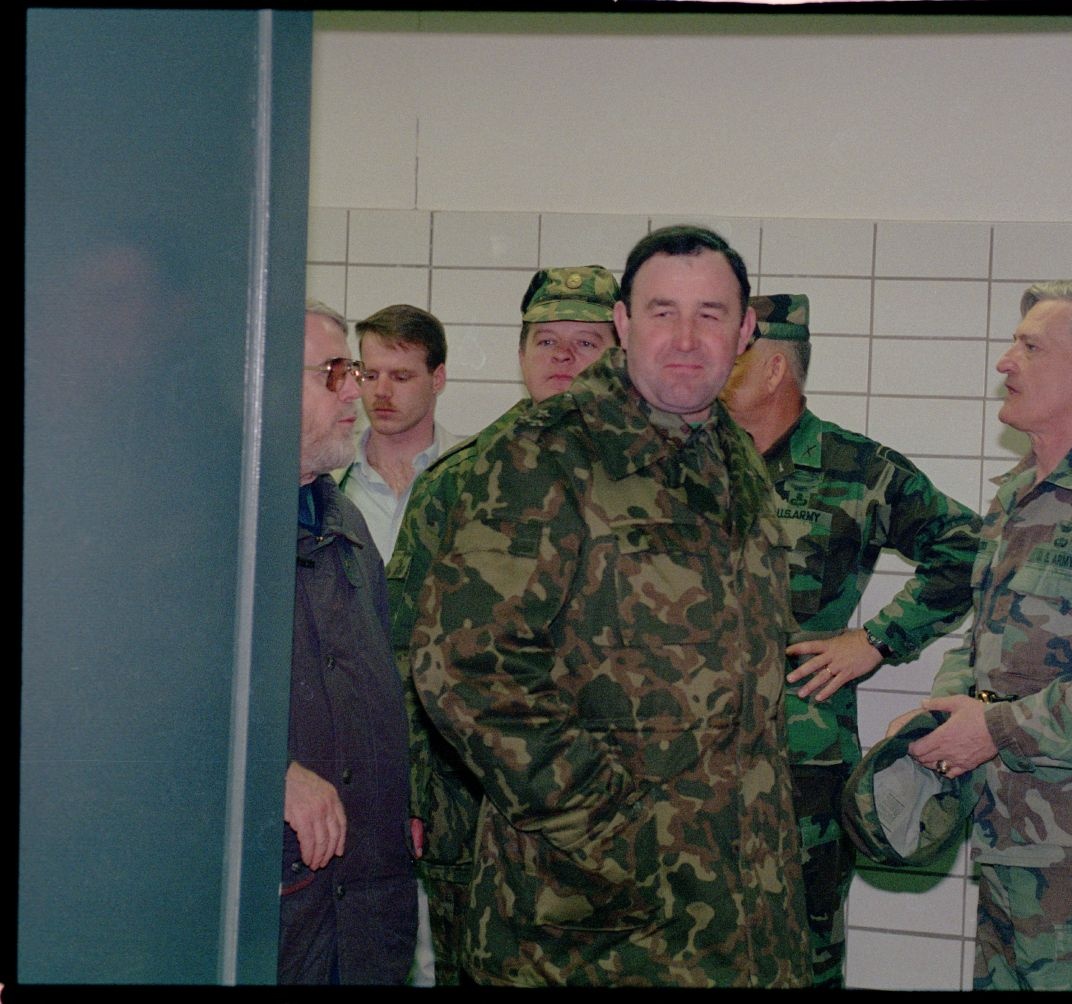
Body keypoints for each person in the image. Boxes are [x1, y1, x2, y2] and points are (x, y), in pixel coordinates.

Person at [410, 226, 810, 986]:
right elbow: (464, 668)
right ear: (624, 326)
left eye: (711, 314)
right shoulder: (545, 454)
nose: (686, 339)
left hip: (742, 918)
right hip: (589, 930)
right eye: (662, 313)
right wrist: (617, 830)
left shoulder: (733, 458)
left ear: (747, 331)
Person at [887, 281, 1072, 991]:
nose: (1006, 361)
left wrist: (995, 729)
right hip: (1006, 842)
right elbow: (989, 635)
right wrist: (946, 711)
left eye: (1031, 346)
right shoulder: (1017, 494)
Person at [719, 292, 981, 988]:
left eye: (729, 350)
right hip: (682, 767)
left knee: (804, 958)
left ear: (773, 368)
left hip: (799, 764)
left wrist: (878, 639)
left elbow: (969, 550)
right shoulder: (676, 465)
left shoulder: (857, 470)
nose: (706, 361)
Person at [385, 264, 620, 986]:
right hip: (475, 800)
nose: (562, 357)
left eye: (586, 342)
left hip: (612, 803)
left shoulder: (648, 481)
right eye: (546, 340)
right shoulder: (461, 479)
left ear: (619, 354)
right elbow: (406, 648)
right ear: (521, 355)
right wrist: (414, 796)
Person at [281, 301, 417, 984]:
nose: (354, 392)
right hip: (286, 910)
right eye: (333, 372)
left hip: (365, 912)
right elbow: (142, 694)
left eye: (352, 372)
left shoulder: (349, 527)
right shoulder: (206, 534)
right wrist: (266, 771)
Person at [337, 303, 460, 561]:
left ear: (437, 379)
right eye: (370, 376)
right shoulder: (328, 477)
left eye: (401, 377)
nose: (381, 391)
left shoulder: (474, 475)